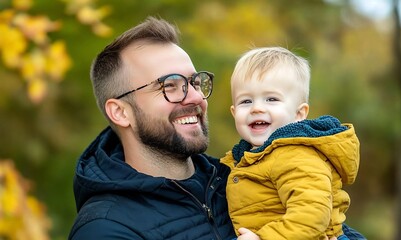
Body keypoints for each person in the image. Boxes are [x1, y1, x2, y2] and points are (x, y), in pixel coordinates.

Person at [68, 16, 364, 240]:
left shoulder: (234, 176)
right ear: (120, 112)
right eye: (171, 85)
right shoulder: (106, 229)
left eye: (195, 82)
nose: (196, 97)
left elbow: (331, 226)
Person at [220, 47, 363, 240]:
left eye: (271, 99)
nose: (257, 108)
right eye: (246, 101)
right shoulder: (245, 159)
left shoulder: (296, 154)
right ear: (234, 112)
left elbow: (312, 215)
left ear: (299, 114)